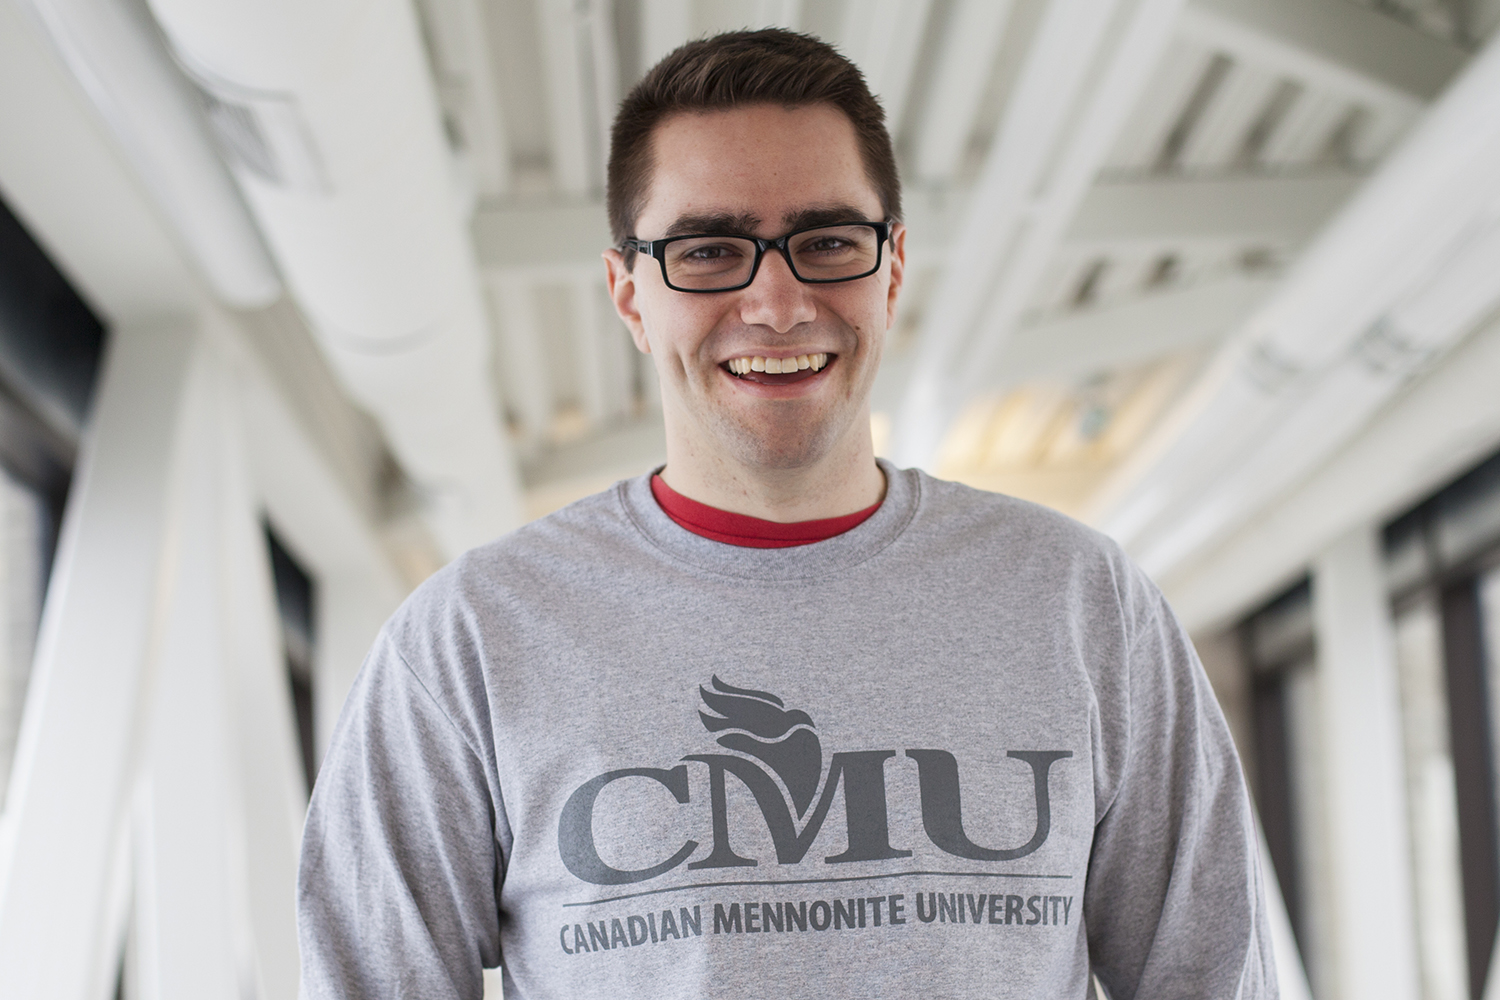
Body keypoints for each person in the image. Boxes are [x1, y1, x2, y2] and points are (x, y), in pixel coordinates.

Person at [298, 28, 1277, 1000]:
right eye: (710, 248)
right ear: (629, 295)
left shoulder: (1083, 605)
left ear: (891, 270)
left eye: (828, 241)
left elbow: (1214, 976)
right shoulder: (470, 643)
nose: (776, 300)